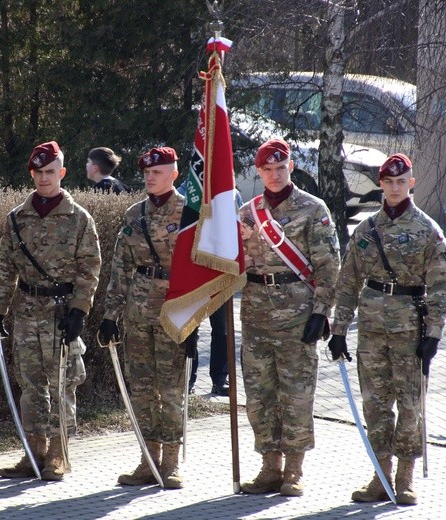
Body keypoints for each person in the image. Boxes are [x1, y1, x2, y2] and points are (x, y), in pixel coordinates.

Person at [328, 153, 446, 506]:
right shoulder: (367, 229)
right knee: (375, 405)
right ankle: (380, 476)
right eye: (389, 182)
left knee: (411, 405)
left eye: (402, 182)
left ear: (411, 183)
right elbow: (348, 280)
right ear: (380, 185)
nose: (395, 188)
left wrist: (434, 334)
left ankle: (405, 477)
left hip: (410, 329)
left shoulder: (427, 229)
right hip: (371, 330)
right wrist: (339, 329)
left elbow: (442, 286)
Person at [0, 141, 101, 481]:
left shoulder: (79, 218)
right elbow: (5, 267)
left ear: (62, 173)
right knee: (30, 384)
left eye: (51, 172)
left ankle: (59, 454)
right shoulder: (16, 218)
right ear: (32, 174)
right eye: (39, 172)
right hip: (27, 310)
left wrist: (80, 310)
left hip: (62, 311)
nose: (44, 178)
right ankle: (33, 452)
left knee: (62, 384)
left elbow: (89, 268)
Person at [238, 138, 340, 497]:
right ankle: (269, 467)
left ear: (291, 167)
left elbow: (329, 265)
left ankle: (294, 470)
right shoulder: (248, 213)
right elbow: (233, 260)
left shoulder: (313, 209)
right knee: (260, 393)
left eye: (281, 168)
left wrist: (322, 312)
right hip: (254, 313)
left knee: (296, 394)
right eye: (268, 170)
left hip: (298, 314)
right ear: (259, 172)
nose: (275, 175)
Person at [98, 146, 194, 489]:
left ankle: (171, 462)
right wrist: (110, 314)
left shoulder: (190, 212)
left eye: (157, 172)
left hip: (174, 309)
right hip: (137, 310)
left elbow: (202, 269)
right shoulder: (133, 214)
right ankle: (147, 459)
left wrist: (198, 320)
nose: (150, 177)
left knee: (170, 388)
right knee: (140, 387)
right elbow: (121, 267)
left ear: (174, 174)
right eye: (146, 172)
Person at [178, 181, 243, 396]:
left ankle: (220, 379)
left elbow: (237, 228)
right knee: (190, 329)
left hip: (220, 271)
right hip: (194, 272)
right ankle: (188, 379)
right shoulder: (186, 191)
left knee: (222, 330)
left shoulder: (230, 193)